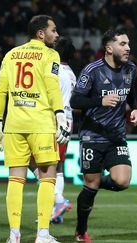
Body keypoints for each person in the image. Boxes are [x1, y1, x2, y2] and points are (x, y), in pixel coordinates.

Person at [0, 15, 70, 243]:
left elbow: (1, 91)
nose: (57, 34)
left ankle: (14, 235)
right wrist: (60, 115)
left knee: (15, 179)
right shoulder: (50, 54)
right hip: (41, 124)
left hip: (14, 126)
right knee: (47, 178)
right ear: (41, 34)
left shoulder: (11, 54)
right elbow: (53, 86)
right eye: (53, 30)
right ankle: (42, 234)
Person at [70, 28, 137, 242]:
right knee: (91, 185)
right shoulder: (92, 70)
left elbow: (131, 91)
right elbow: (75, 101)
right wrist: (98, 101)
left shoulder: (130, 69)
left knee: (122, 181)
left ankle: (93, 182)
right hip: (92, 136)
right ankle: (81, 231)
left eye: (128, 43)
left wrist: (134, 108)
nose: (128, 48)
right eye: (122, 44)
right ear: (109, 48)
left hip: (116, 136)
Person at [50, 37, 77, 223]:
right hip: (68, 120)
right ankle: (55, 210)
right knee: (58, 166)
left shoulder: (54, 69)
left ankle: (58, 201)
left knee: (37, 163)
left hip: (54, 119)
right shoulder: (72, 73)